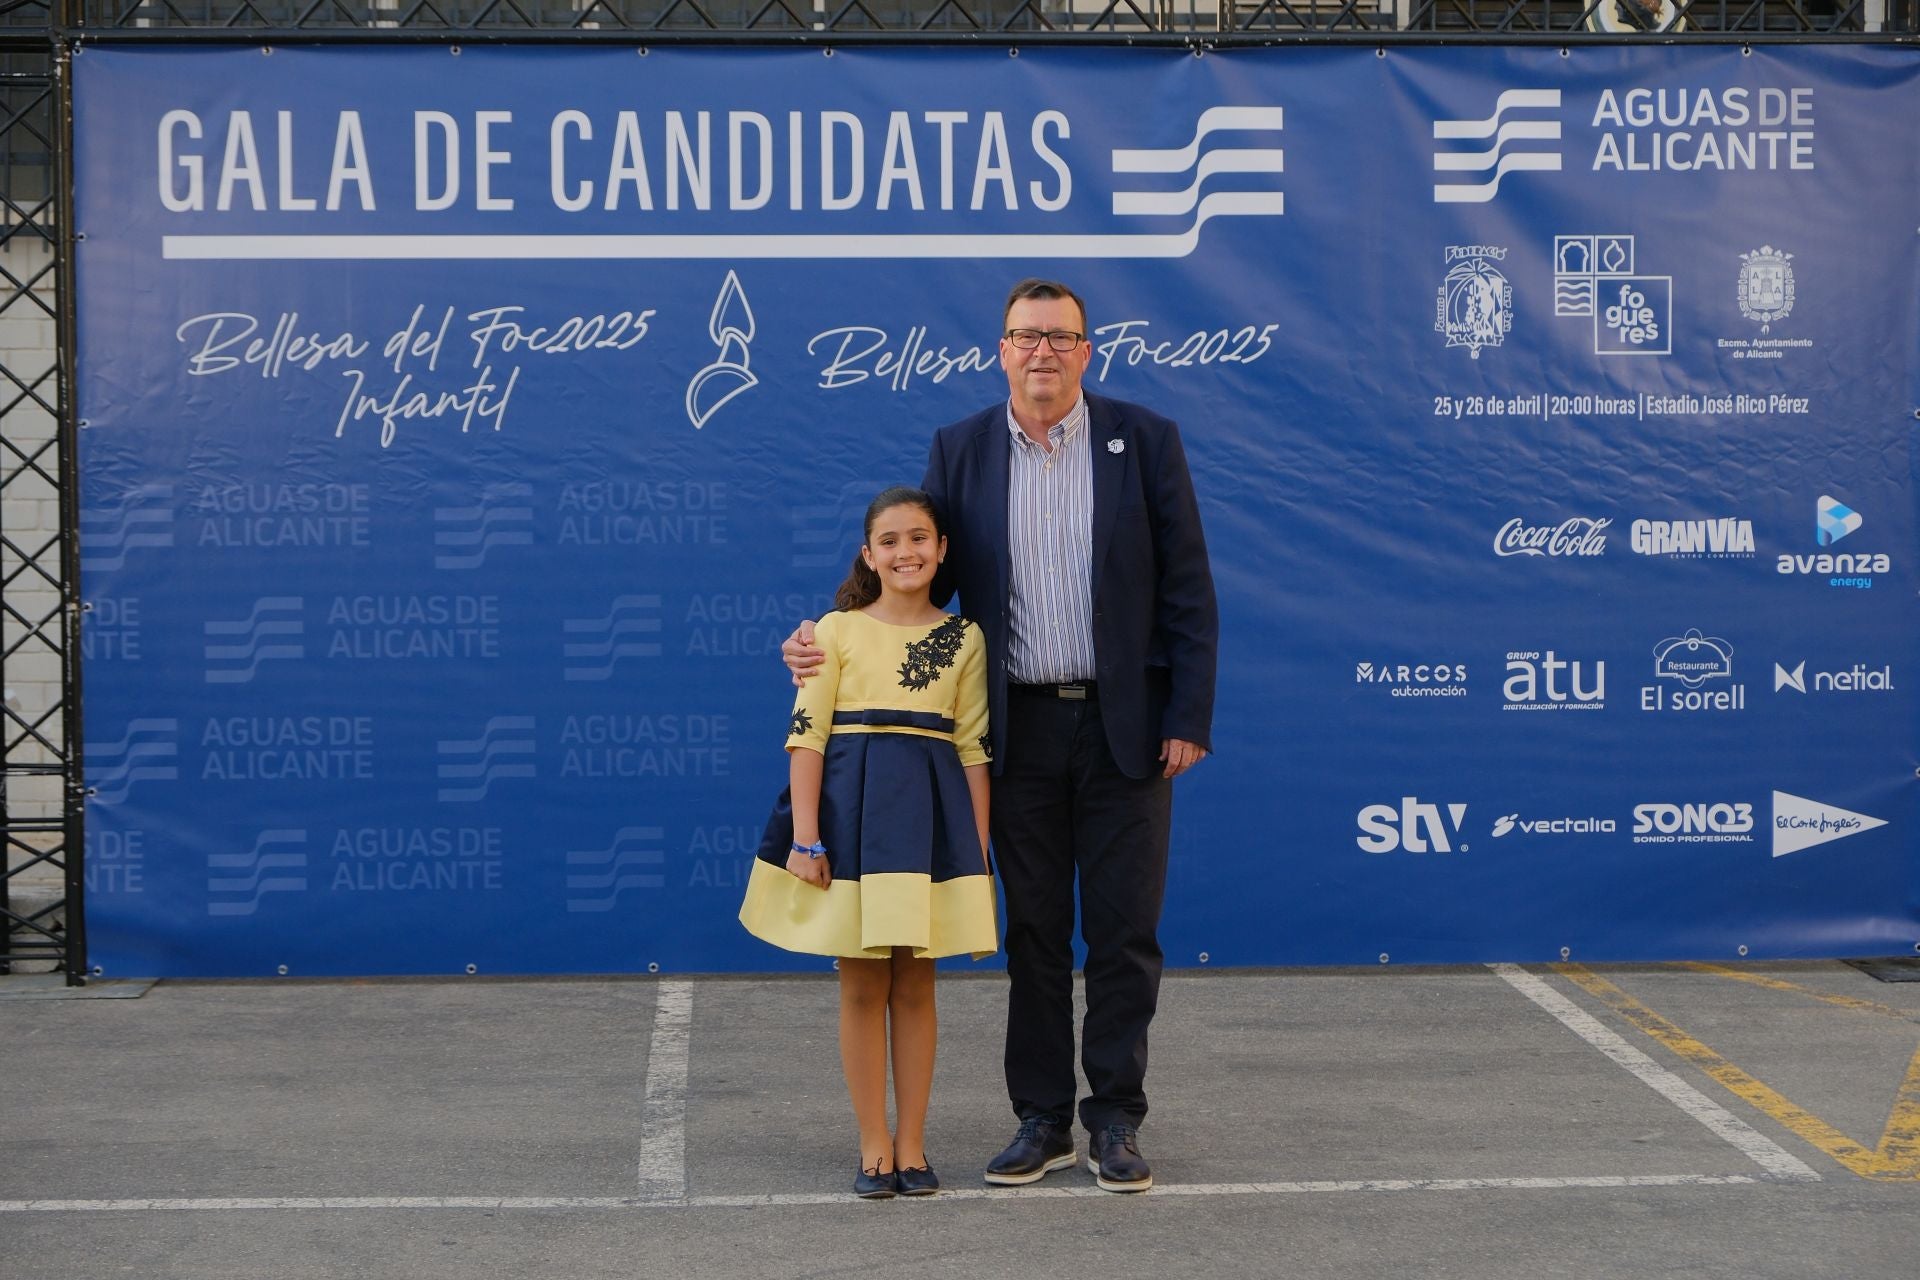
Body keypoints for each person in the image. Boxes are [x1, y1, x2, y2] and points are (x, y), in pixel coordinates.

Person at [784, 279, 1218, 1194]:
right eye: (1026, 337)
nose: (1044, 352)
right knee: (1031, 931)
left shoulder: (1144, 442)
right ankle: (1043, 1119)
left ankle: (1116, 1121)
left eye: (1062, 337)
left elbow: (1188, 586)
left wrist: (1187, 716)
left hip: (1125, 728)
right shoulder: (962, 449)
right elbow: (918, 566)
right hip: (1012, 730)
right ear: (1002, 350)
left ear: (1088, 351)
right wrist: (823, 631)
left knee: (1125, 931)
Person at [740, 485, 997, 1200]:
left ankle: (914, 1145)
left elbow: (972, 747)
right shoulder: (834, 630)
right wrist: (807, 839)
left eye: (920, 538)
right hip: (850, 826)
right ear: (868, 553)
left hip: (930, 828)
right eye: (890, 540)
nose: (906, 552)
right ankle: (873, 1143)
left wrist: (976, 854)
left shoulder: (965, 637)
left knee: (916, 984)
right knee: (861, 985)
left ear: (941, 549)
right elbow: (807, 737)